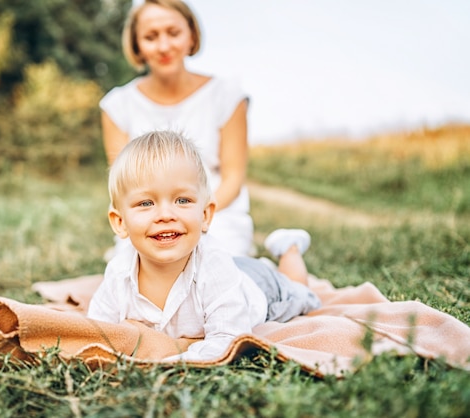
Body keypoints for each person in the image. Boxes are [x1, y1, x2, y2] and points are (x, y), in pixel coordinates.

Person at [87, 131, 321, 361]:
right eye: (146, 203)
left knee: (301, 293)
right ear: (120, 222)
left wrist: (172, 364)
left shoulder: (214, 268)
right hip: (234, 270)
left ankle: (289, 248)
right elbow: (96, 331)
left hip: (259, 287)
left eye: (182, 200)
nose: (166, 214)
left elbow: (228, 339)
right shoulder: (119, 273)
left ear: (206, 214)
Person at [100, 0, 253, 257]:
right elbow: (123, 185)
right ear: (137, 45)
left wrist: (191, 217)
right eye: (150, 37)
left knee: (213, 268)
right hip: (148, 219)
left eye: (173, 33)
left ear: (191, 35)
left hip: (216, 214)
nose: (163, 46)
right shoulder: (117, 105)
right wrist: (155, 222)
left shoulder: (226, 95)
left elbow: (233, 179)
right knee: (135, 274)